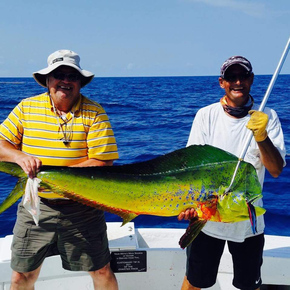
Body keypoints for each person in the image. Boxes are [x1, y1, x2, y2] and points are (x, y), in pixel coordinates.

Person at [0, 50, 119, 290]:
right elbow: (1, 144)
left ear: (80, 82)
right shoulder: (26, 108)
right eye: (58, 75)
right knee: (21, 276)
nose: (65, 80)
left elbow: (103, 162)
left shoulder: (94, 112)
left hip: (83, 208)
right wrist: (20, 156)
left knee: (101, 270)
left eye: (72, 76)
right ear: (47, 80)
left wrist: (54, 179)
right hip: (36, 206)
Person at [179, 56, 286, 290]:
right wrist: (189, 204)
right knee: (195, 281)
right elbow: (192, 171)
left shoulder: (268, 116)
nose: (238, 82)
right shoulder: (206, 115)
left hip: (248, 223)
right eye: (231, 77)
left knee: (249, 285)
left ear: (252, 79)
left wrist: (262, 136)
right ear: (222, 82)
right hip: (208, 221)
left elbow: (276, 169)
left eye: (243, 76)